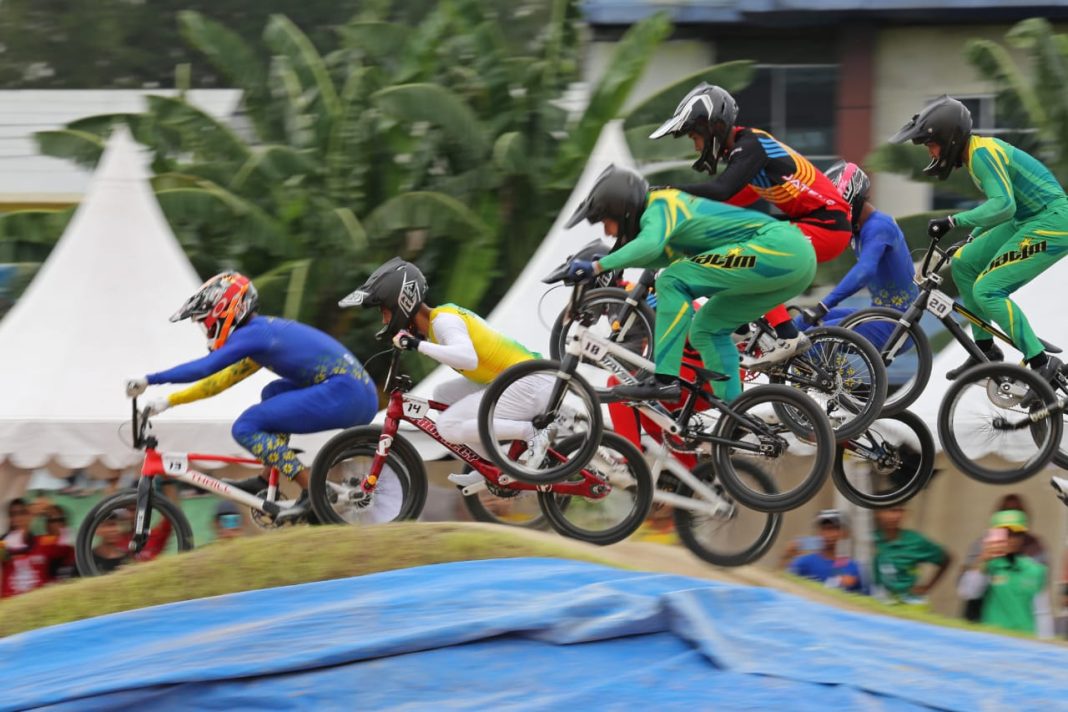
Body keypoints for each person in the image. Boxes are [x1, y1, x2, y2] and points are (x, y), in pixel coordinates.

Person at [126, 271, 378, 523]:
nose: (206, 330)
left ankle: (312, 491)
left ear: (226, 311)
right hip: (354, 392)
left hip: (347, 392)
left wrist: (150, 379)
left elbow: (205, 368)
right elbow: (219, 382)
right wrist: (168, 401)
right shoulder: (260, 335)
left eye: (206, 322)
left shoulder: (254, 336)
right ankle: (264, 477)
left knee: (246, 427)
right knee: (272, 393)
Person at [564, 165, 816, 403]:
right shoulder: (665, 220)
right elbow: (660, 255)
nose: (608, 232)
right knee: (706, 330)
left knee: (672, 280)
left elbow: (649, 245)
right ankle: (736, 411)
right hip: (794, 262)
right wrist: (610, 263)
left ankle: (664, 379)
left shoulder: (660, 204)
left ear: (622, 209)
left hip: (780, 247)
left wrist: (597, 266)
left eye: (606, 222)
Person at [648, 83, 852, 362]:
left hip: (827, 227)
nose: (695, 145)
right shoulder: (746, 154)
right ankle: (745, 325)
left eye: (695, 136)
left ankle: (786, 334)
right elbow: (729, 201)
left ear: (713, 128)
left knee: (748, 253)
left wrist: (668, 191)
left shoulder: (751, 146)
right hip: (815, 224)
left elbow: (722, 189)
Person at [890, 95, 1068, 382]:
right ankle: (984, 351)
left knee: (987, 289)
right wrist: (972, 236)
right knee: (963, 263)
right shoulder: (975, 154)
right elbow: (1002, 209)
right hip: (1026, 218)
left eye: (931, 145)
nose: (931, 153)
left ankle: (1041, 363)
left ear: (948, 138)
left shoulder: (983, 154)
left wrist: (953, 221)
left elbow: (1003, 205)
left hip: (1051, 222)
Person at [339, 258, 554, 486]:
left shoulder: (443, 322)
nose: (384, 320)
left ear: (400, 302)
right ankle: (494, 465)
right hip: (517, 380)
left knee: (448, 427)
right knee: (443, 394)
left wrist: (415, 344)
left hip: (530, 383)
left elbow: (468, 359)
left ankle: (532, 433)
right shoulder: (437, 324)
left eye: (385, 311)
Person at [795, 161, 920, 349]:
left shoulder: (879, 226)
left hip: (896, 325)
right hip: (877, 315)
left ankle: (836, 378)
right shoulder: (858, 230)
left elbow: (864, 271)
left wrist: (824, 305)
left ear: (852, 202)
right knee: (798, 324)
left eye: (837, 209)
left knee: (809, 341)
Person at [957, 509, 1048, 635]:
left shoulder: (1035, 569)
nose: (1011, 539)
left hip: (1025, 641)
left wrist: (1044, 643)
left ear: (1023, 537)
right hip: (994, 639)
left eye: (1016, 533)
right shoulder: (988, 566)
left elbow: (1041, 612)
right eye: (1005, 533)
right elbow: (968, 592)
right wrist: (982, 560)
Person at [872, 504, 952, 605]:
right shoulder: (869, 541)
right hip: (876, 604)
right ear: (877, 513)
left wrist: (927, 587)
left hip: (908, 604)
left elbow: (946, 558)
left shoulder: (915, 541)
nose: (895, 516)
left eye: (899, 511)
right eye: (890, 510)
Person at [787, 509, 866, 594]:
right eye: (825, 529)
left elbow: (865, 600)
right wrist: (786, 556)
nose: (829, 534)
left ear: (845, 533)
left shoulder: (853, 567)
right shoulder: (804, 563)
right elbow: (785, 586)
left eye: (834, 529)